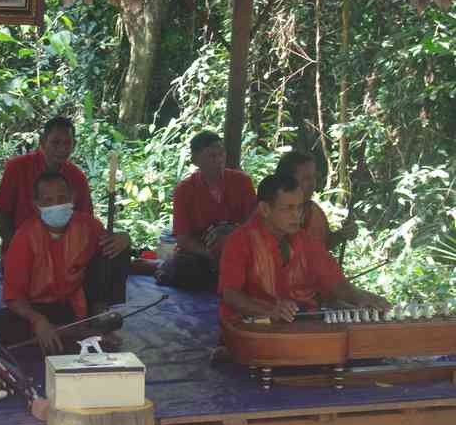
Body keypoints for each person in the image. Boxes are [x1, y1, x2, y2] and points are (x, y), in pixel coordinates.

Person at [0, 171, 130, 354]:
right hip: (42, 308)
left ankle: (97, 318)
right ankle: (80, 332)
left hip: (79, 303)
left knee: (117, 245)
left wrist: (124, 238)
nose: (56, 205)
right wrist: (38, 320)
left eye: (62, 198)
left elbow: (106, 262)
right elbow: (13, 297)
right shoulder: (24, 237)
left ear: (72, 198)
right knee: (1, 325)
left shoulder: (89, 225)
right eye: (48, 201)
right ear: (36, 205)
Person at [218, 174, 389, 324]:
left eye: (299, 207)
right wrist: (268, 310)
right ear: (264, 209)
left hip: (299, 322)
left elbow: (335, 282)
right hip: (252, 326)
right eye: (288, 208)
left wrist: (361, 297)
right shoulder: (240, 240)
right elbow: (231, 294)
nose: (296, 215)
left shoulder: (306, 241)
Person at [156, 130, 256, 291]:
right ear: (195, 160)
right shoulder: (184, 190)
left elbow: (255, 224)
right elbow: (183, 239)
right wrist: (210, 254)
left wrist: (232, 240)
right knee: (187, 268)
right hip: (202, 254)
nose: (219, 160)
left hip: (238, 250)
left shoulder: (242, 182)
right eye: (211, 156)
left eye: (221, 154)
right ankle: (166, 270)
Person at [0, 116, 94, 252]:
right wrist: (17, 246)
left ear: (74, 145)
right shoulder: (17, 168)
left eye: (67, 143)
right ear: (42, 142)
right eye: (55, 143)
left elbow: (85, 221)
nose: (62, 149)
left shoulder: (77, 177)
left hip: (63, 255)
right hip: (20, 251)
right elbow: (0, 212)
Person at [275, 150, 357, 251]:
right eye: (306, 179)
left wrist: (342, 234)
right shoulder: (272, 214)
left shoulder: (315, 212)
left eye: (313, 177)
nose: (312, 184)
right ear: (287, 180)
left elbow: (324, 245)